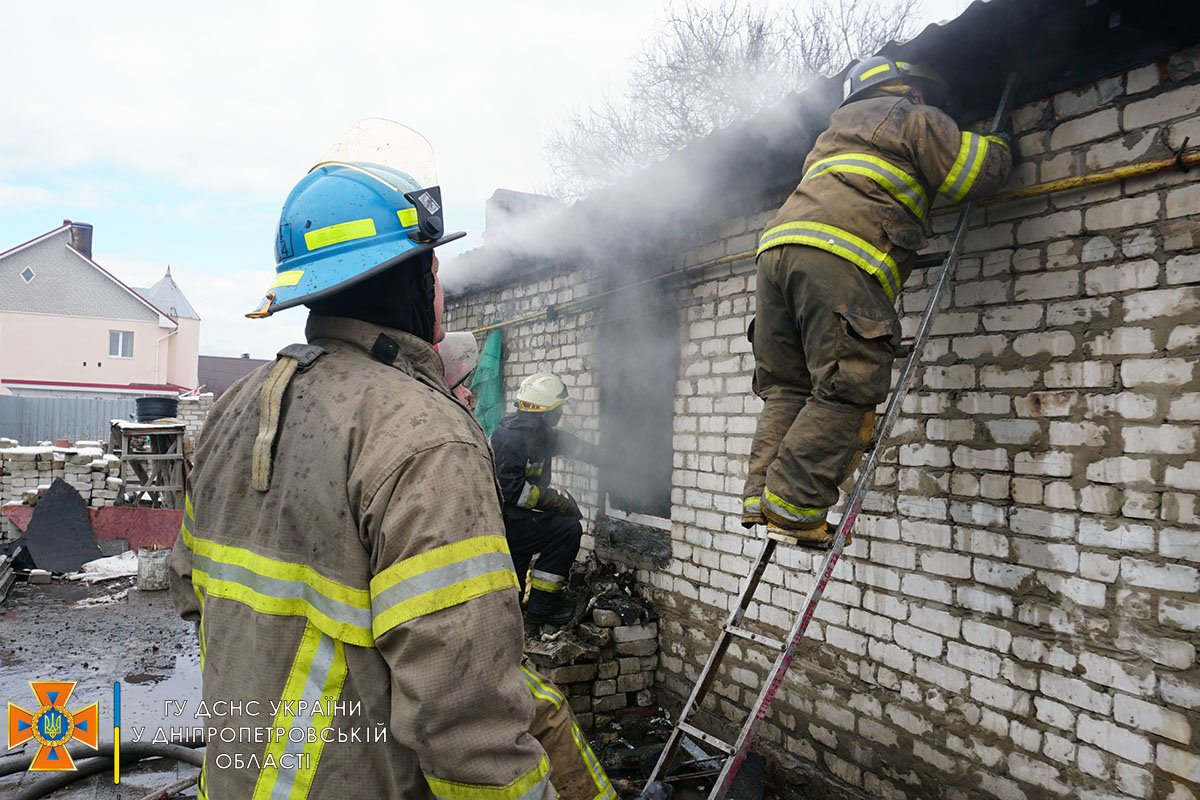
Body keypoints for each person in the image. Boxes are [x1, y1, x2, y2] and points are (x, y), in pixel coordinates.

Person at [169, 121, 557, 798]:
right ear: (416, 274)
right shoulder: (424, 433)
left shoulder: (235, 408)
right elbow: (463, 720)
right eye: (434, 265)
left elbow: (191, 589)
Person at [743, 58, 1014, 549]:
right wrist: (1001, 143)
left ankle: (761, 497)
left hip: (774, 256)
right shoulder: (910, 116)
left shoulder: (828, 139)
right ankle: (795, 511)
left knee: (786, 386)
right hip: (839, 259)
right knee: (849, 383)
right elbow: (977, 174)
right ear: (910, 88)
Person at [491, 372, 601, 626]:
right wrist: (554, 501)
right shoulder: (509, 438)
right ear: (546, 411)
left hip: (516, 521)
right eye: (558, 409)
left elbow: (573, 445)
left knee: (511, 597)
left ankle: (515, 622)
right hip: (505, 523)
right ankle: (542, 607)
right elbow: (512, 491)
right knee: (566, 529)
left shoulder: (536, 432)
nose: (560, 414)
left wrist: (609, 458)